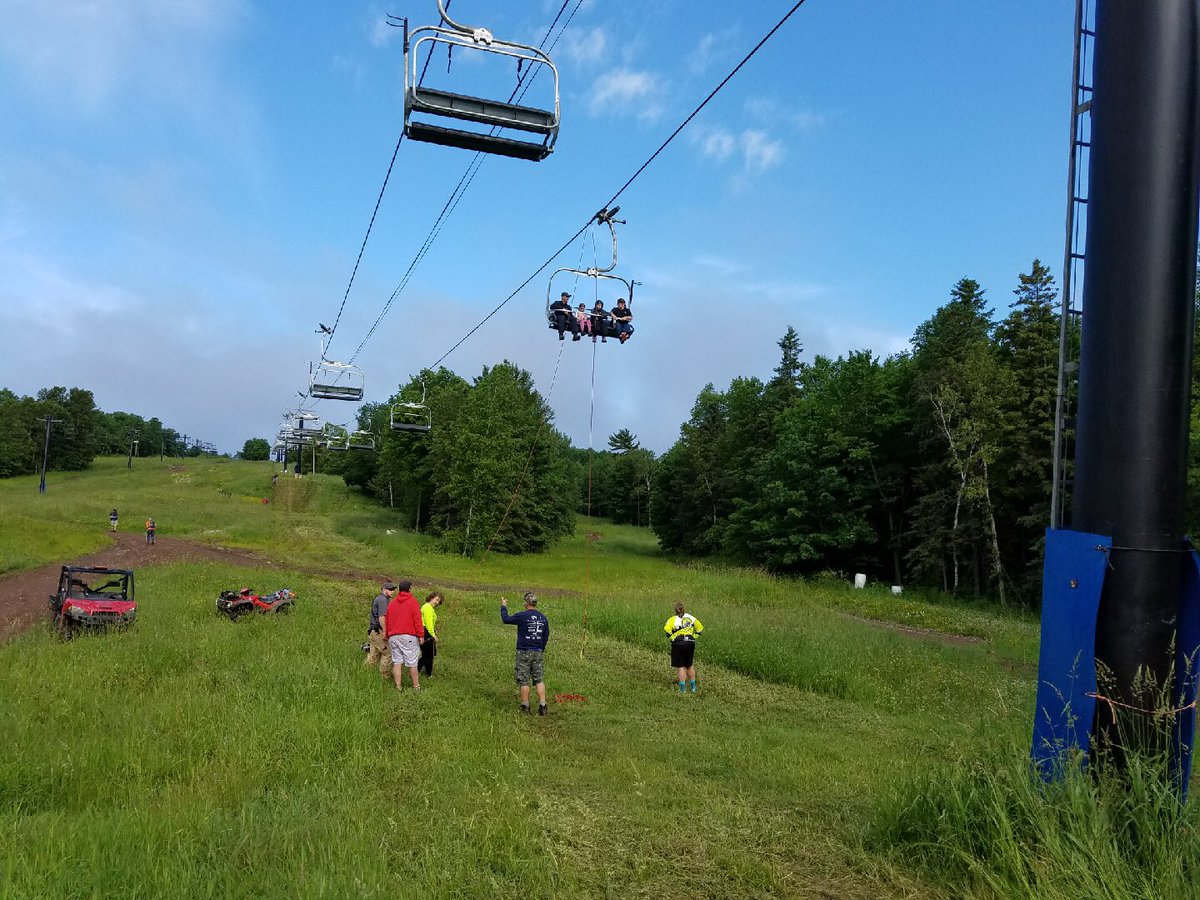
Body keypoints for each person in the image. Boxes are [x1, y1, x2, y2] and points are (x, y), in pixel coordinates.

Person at [501, 591, 550, 715]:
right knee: (539, 679)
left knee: (524, 680)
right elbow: (546, 635)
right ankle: (543, 705)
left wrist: (503, 606)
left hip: (523, 651)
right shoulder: (543, 618)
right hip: (538, 651)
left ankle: (525, 706)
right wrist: (541, 648)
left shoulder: (522, 616)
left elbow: (506, 620)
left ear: (526, 603)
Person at [385, 580, 424, 691]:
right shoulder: (413, 602)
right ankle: (416, 686)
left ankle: (398, 686)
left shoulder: (392, 603)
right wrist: (421, 635)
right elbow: (417, 620)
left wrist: (387, 634)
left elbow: (388, 620)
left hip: (393, 636)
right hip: (408, 636)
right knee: (412, 663)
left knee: (397, 662)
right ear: (409, 589)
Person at [664, 601, 704, 693]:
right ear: (684, 609)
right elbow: (700, 628)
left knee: (681, 666)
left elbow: (667, 630)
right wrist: (694, 636)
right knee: (689, 665)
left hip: (678, 643)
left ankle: (683, 689)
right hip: (690, 642)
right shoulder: (691, 617)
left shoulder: (672, 619)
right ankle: (693, 687)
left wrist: (672, 638)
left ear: (675, 610)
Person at [364, 581, 397, 681]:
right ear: (384, 590)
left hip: (373, 631)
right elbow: (382, 617)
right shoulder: (383, 600)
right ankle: (384, 677)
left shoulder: (379, 598)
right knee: (388, 653)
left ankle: (365, 674)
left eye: (393, 589)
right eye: (390, 590)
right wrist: (385, 631)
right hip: (378, 631)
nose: (392, 592)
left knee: (374, 655)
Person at [418, 591, 444, 677]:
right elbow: (428, 623)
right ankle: (428, 674)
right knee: (429, 655)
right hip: (426, 632)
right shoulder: (428, 607)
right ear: (431, 598)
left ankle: (417, 670)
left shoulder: (428, 607)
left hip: (426, 631)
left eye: (439, 601)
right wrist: (433, 635)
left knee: (426, 654)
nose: (437, 602)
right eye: (436, 600)